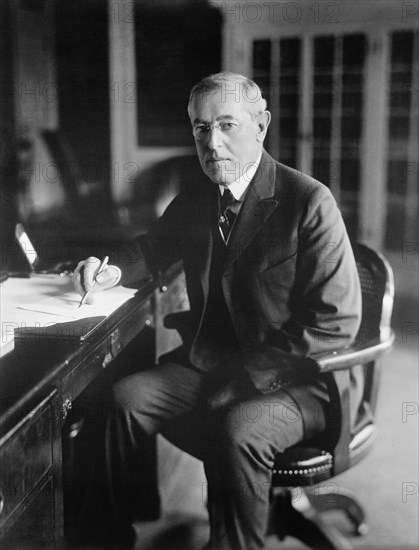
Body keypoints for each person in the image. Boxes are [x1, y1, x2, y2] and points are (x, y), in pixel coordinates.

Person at [71, 72, 362, 550]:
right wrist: (111, 270)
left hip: (298, 381)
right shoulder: (197, 199)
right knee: (122, 400)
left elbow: (336, 321)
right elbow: (150, 247)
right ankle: (104, 538)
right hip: (210, 364)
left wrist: (245, 378)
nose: (213, 142)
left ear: (261, 126)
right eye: (201, 129)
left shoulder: (308, 201)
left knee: (238, 429)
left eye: (227, 125)